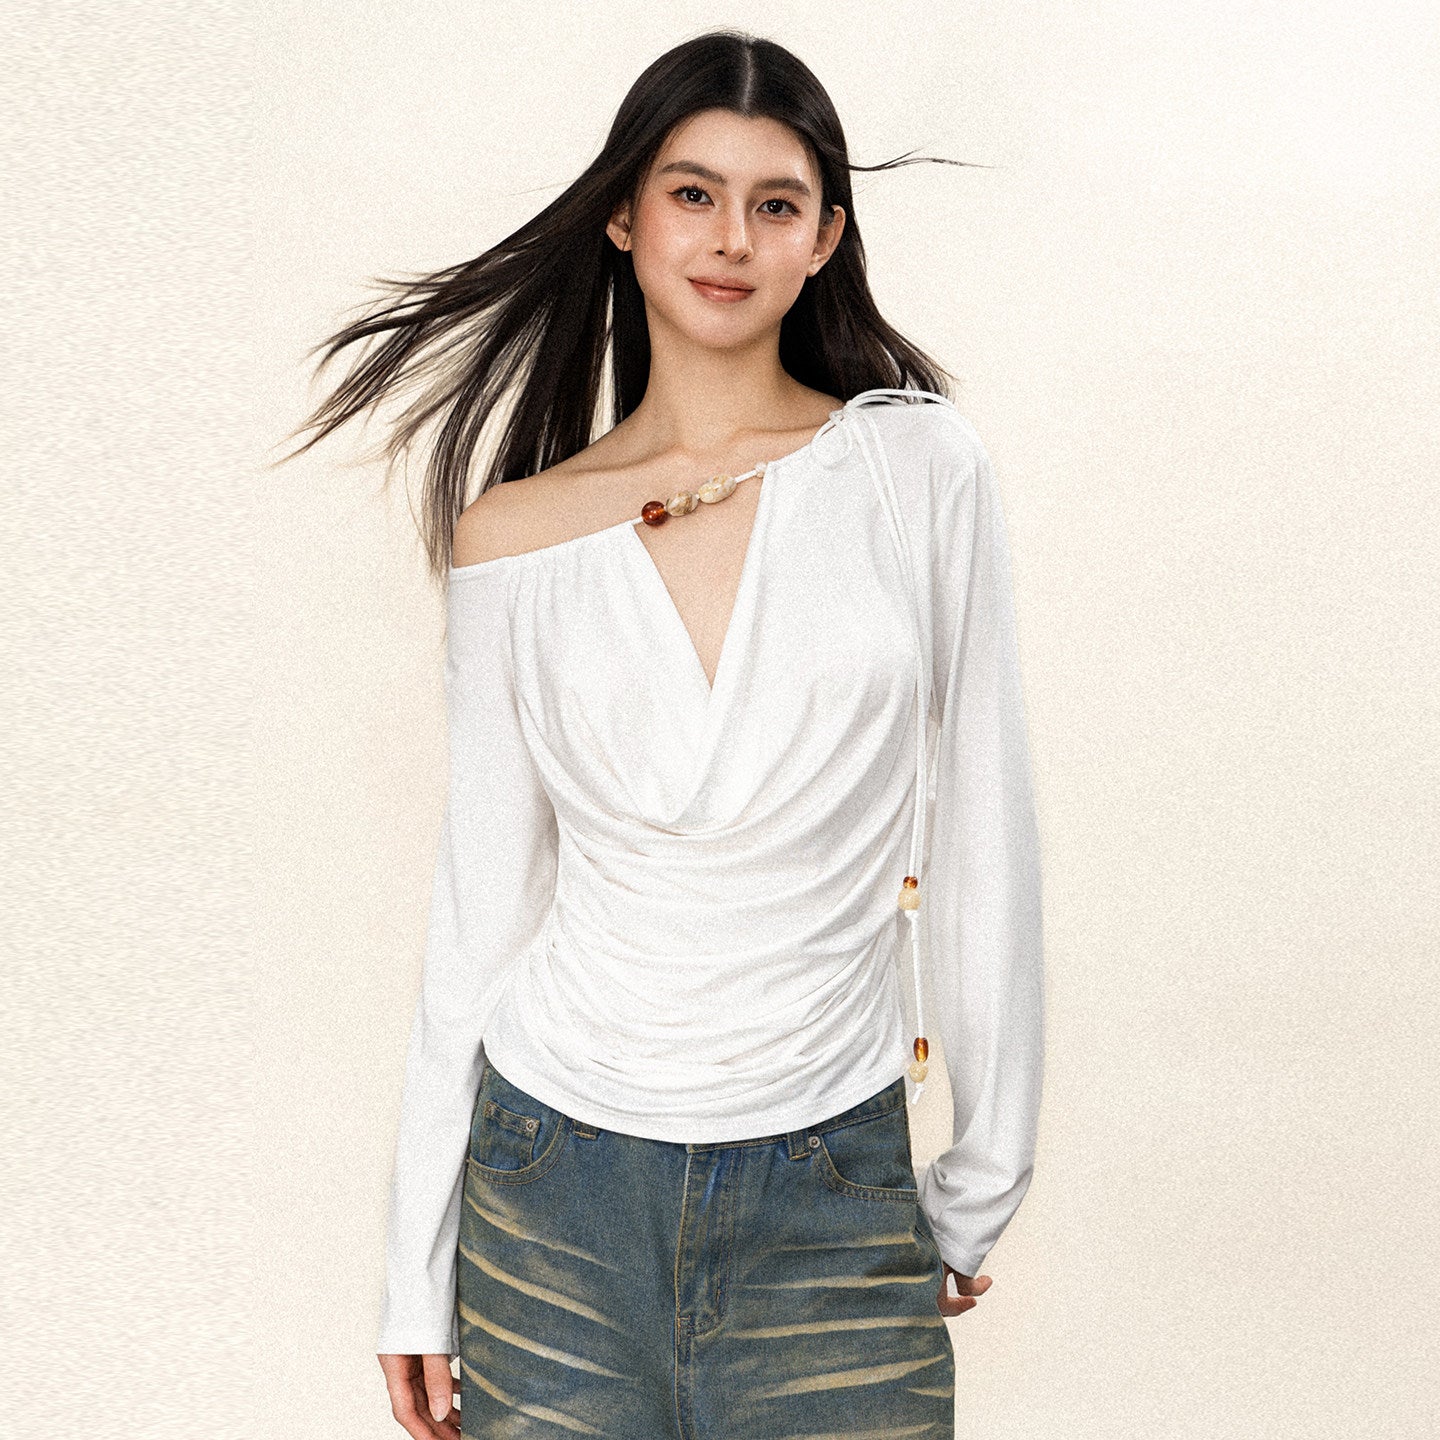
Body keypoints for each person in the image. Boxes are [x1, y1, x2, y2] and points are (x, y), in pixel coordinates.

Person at [293, 28, 1044, 1440]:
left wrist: (980, 1178)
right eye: (693, 194)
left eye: (776, 204)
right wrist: (415, 1272)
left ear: (825, 239)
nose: (732, 238)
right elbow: (482, 909)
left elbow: (984, 828)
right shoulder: (513, 537)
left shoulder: (915, 472)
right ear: (625, 217)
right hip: (551, 1187)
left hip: (833, 1184)